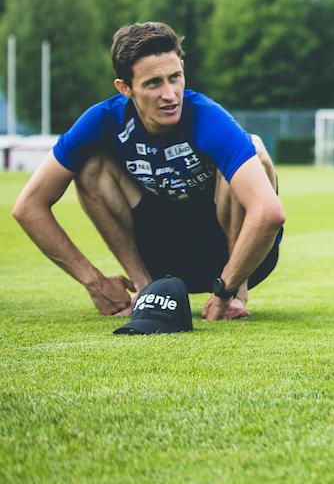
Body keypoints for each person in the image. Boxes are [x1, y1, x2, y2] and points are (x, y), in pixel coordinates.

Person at [12, 22, 285, 321]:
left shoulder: (207, 117)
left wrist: (224, 290)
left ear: (182, 69)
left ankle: (235, 296)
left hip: (234, 256)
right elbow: (28, 207)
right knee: (90, 166)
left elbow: (269, 212)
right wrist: (95, 283)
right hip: (163, 256)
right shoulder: (103, 120)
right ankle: (146, 290)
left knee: (254, 152)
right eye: (153, 83)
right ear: (125, 88)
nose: (170, 94)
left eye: (175, 78)